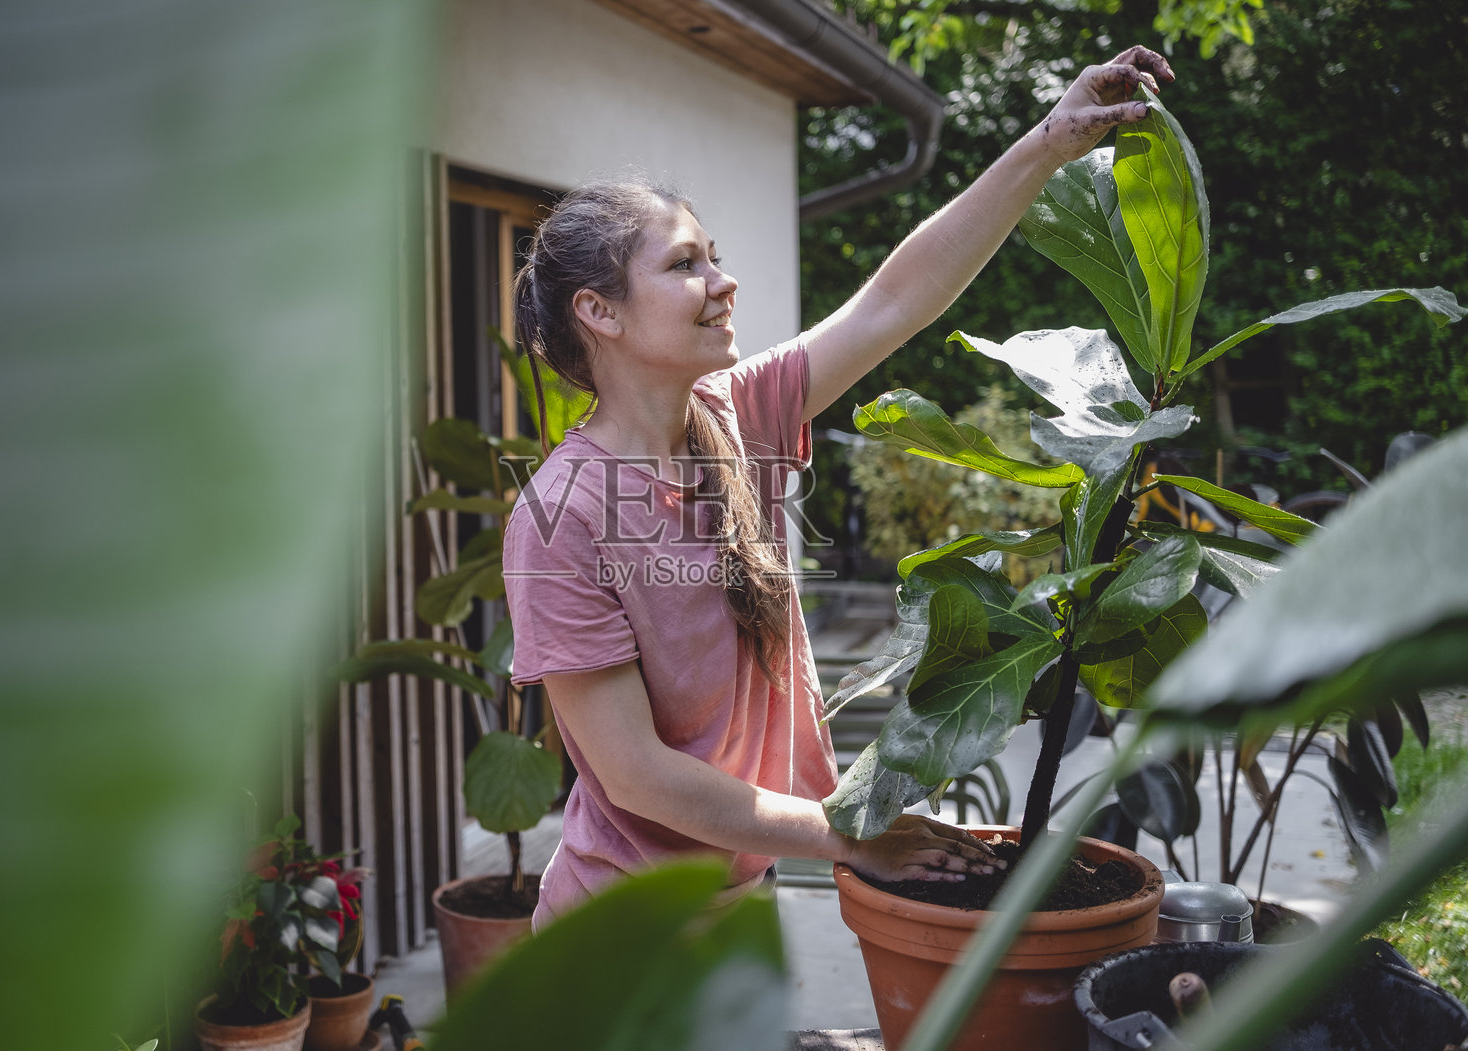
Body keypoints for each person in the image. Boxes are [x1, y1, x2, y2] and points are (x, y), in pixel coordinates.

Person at [503, 46, 1176, 930]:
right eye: (685, 265)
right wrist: (851, 833)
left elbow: (895, 300)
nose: (724, 281)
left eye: (716, 257)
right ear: (599, 311)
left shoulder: (733, 415)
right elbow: (637, 774)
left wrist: (1051, 141)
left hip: (730, 909)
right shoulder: (562, 514)